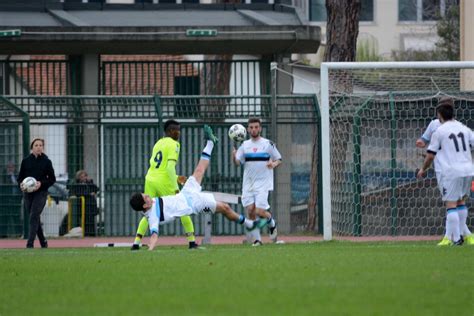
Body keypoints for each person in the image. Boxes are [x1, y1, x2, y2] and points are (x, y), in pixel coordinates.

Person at [129, 125, 258, 251]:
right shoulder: (153, 216)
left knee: (199, 170)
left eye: (144, 194)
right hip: (195, 204)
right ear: (145, 206)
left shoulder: (150, 204)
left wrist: (178, 179)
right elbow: (154, 235)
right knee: (225, 207)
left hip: (185, 193)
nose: (147, 196)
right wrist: (151, 248)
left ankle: (210, 143)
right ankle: (249, 224)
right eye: (145, 197)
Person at [131, 119, 199, 250]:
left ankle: (136, 243)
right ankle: (192, 242)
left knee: (149, 211)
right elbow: (168, 168)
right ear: (170, 131)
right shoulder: (174, 144)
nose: (179, 133)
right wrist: (175, 188)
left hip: (150, 178)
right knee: (183, 207)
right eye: (177, 130)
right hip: (164, 181)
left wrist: (177, 177)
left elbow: (159, 165)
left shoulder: (158, 143)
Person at [416, 98, 474, 246]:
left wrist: (423, 169)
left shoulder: (440, 131)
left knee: (450, 204)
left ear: (439, 114)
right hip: (467, 170)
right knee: (460, 201)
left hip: (449, 171)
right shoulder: (463, 128)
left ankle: (454, 239)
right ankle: (462, 235)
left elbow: (430, 155)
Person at [232, 117, 281, 246]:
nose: (254, 129)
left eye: (256, 127)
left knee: (259, 211)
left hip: (263, 183)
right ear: (248, 130)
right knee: (250, 211)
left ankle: (272, 223)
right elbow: (237, 162)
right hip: (248, 183)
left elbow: (279, 159)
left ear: (260, 128)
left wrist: (273, 164)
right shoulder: (244, 145)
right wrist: (234, 155)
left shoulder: (268, 144)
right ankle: (257, 240)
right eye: (251, 127)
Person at [17, 138, 56, 248]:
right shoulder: (26, 161)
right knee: (34, 217)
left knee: (34, 215)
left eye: (40, 145)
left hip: (41, 193)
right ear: (32, 148)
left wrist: (41, 184)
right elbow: (20, 178)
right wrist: (21, 184)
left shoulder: (46, 162)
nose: (39, 147)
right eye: (36, 145)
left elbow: (52, 179)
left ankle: (30, 243)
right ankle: (43, 241)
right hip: (28, 193)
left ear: (43, 148)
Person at [69, 170, 99, 236]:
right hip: (82, 206)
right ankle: (85, 235)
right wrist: (89, 194)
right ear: (78, 177)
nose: (84, 178)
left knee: (91, 221)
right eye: (82, 176)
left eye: (85, 176)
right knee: (84, 221)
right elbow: (78, 193)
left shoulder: (89, 183)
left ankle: (92, 235)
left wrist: (90, 182)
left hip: (91, 205)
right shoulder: (76, 184)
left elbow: (96, 189)